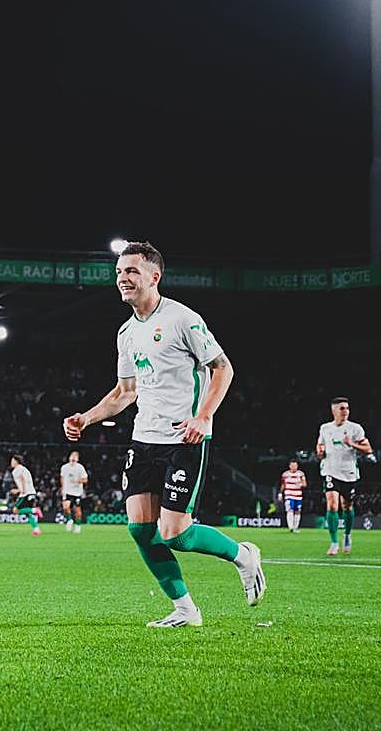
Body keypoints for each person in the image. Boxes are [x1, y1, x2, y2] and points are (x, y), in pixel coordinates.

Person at [63, 241, 265, 628]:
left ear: (154, 276)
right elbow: (125, 392)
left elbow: (223, 369)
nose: (123, 278)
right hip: (144, 439)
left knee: (174, 534)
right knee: (140, 529)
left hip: (183, 439)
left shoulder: (182, 319)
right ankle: (185, 610)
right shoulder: (126, 332)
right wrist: (86, 418)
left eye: (132, 271)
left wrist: (203, 417)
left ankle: (242, 555)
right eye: (120, 271)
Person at [315, 396, 375, 555]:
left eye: (347, 408)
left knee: (347, 506)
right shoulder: (325, 428)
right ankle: (334, 542)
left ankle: (347, 535)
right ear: (333, 410)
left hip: (349, 472)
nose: (346, 411)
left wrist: (352, 444)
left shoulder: (355, 428)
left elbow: (368, 449)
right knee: (332, 504)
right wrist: (320, 453)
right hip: (329, 470)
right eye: (342, 408)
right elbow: (320, 446)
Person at [7, 454, 42, 537]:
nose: (11, 462)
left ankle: (35, 510)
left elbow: (22, 479)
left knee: (15, 510)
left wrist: (20, 490)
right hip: (31, 492)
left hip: (25, 494)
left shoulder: (16, 470)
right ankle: (36, 530)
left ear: (16, 461)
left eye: (12, 461)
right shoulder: (24, 469)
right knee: (28, 513)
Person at [58, 450, 88, 533]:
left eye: (75, 456)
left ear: (78, 459)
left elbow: (85, 480)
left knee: (77, 510)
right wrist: (62, 487)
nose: (73, 457)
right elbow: (62, 477)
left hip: (77, 492)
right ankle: (69, 520)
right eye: (72, 456)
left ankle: (78, 525)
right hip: (67, 491)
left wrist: (77, 481)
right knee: (65, 507)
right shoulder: (64, 467)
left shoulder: (80, 468)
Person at [280, 460, 308, 533]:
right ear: (289, 466)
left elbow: (305, 484)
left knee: (297, 511)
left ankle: (296, 527)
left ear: (297, 466)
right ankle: (291, 527)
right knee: (290, 510)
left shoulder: (301, 474)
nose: (293, 467)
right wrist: (280, 493)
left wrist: (301, 484)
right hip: (289, 495)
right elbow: (283, 484)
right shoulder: (285, 474)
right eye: (292, 466)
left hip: (298, 496)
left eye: (295, 466)